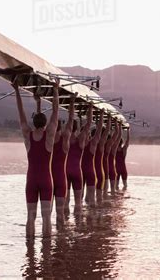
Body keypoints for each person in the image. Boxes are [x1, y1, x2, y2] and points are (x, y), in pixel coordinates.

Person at [12, 76, 59, 238]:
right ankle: (46, 251)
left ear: (33, 122)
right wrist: (55, 90)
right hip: (46, 180)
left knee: (30, 217)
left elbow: (21, 113)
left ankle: (30, 252)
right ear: (45, 124)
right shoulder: (50, 135)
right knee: (47, 218)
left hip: (31, 180)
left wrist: (17, 90)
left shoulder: (27, 134)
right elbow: (55, 111)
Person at [50, 92, 77, 225]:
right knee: (60, 212)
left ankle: (47, 242)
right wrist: (71, 102)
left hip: (49, 178)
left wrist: (38, 103)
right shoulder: (65, 139)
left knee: (47, 214)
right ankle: (61, 240)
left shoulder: (47, 140)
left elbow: (52, 115)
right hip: (62, 178)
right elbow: (71, 120)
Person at [66, 103, 92, 214]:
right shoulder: (80, 140)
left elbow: (70, 118)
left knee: (65, 202)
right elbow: (89, 124)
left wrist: (71, 103)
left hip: (65, 172)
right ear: (77, 129)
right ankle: (79, 226)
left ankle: (63, 227)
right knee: (78, 203)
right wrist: (90, 108)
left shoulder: (64, 138)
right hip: (77, 171)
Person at [80, 104, 96, 207]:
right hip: (90, 171)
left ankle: (79, 220)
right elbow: (97, 130)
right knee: (91, 199)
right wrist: (90, 110)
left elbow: (86, 127)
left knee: (79, 199)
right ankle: (92, 218)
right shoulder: (93, 144)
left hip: (80, 171)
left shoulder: (78, 143)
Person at [93, 110, 106, 204]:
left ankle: (81, 218)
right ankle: (98, 215)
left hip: (88, 171)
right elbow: (106, 132)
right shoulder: (101, 145)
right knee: (99, 197)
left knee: (87, 198)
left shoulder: (84, 143)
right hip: (99, 173)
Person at [106, 119, 121, 194]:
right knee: (113, 191)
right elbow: (118, 136)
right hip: (112, 169)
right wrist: (118, 126)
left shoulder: (99, 145)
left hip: (103, 168)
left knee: (103, 192)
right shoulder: (113, 147)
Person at [102, 114, 112, 196]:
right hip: (104, 169)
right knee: (104, 193)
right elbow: (116, 136)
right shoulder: (108, 146)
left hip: (94, 168)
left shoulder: (94, 143)